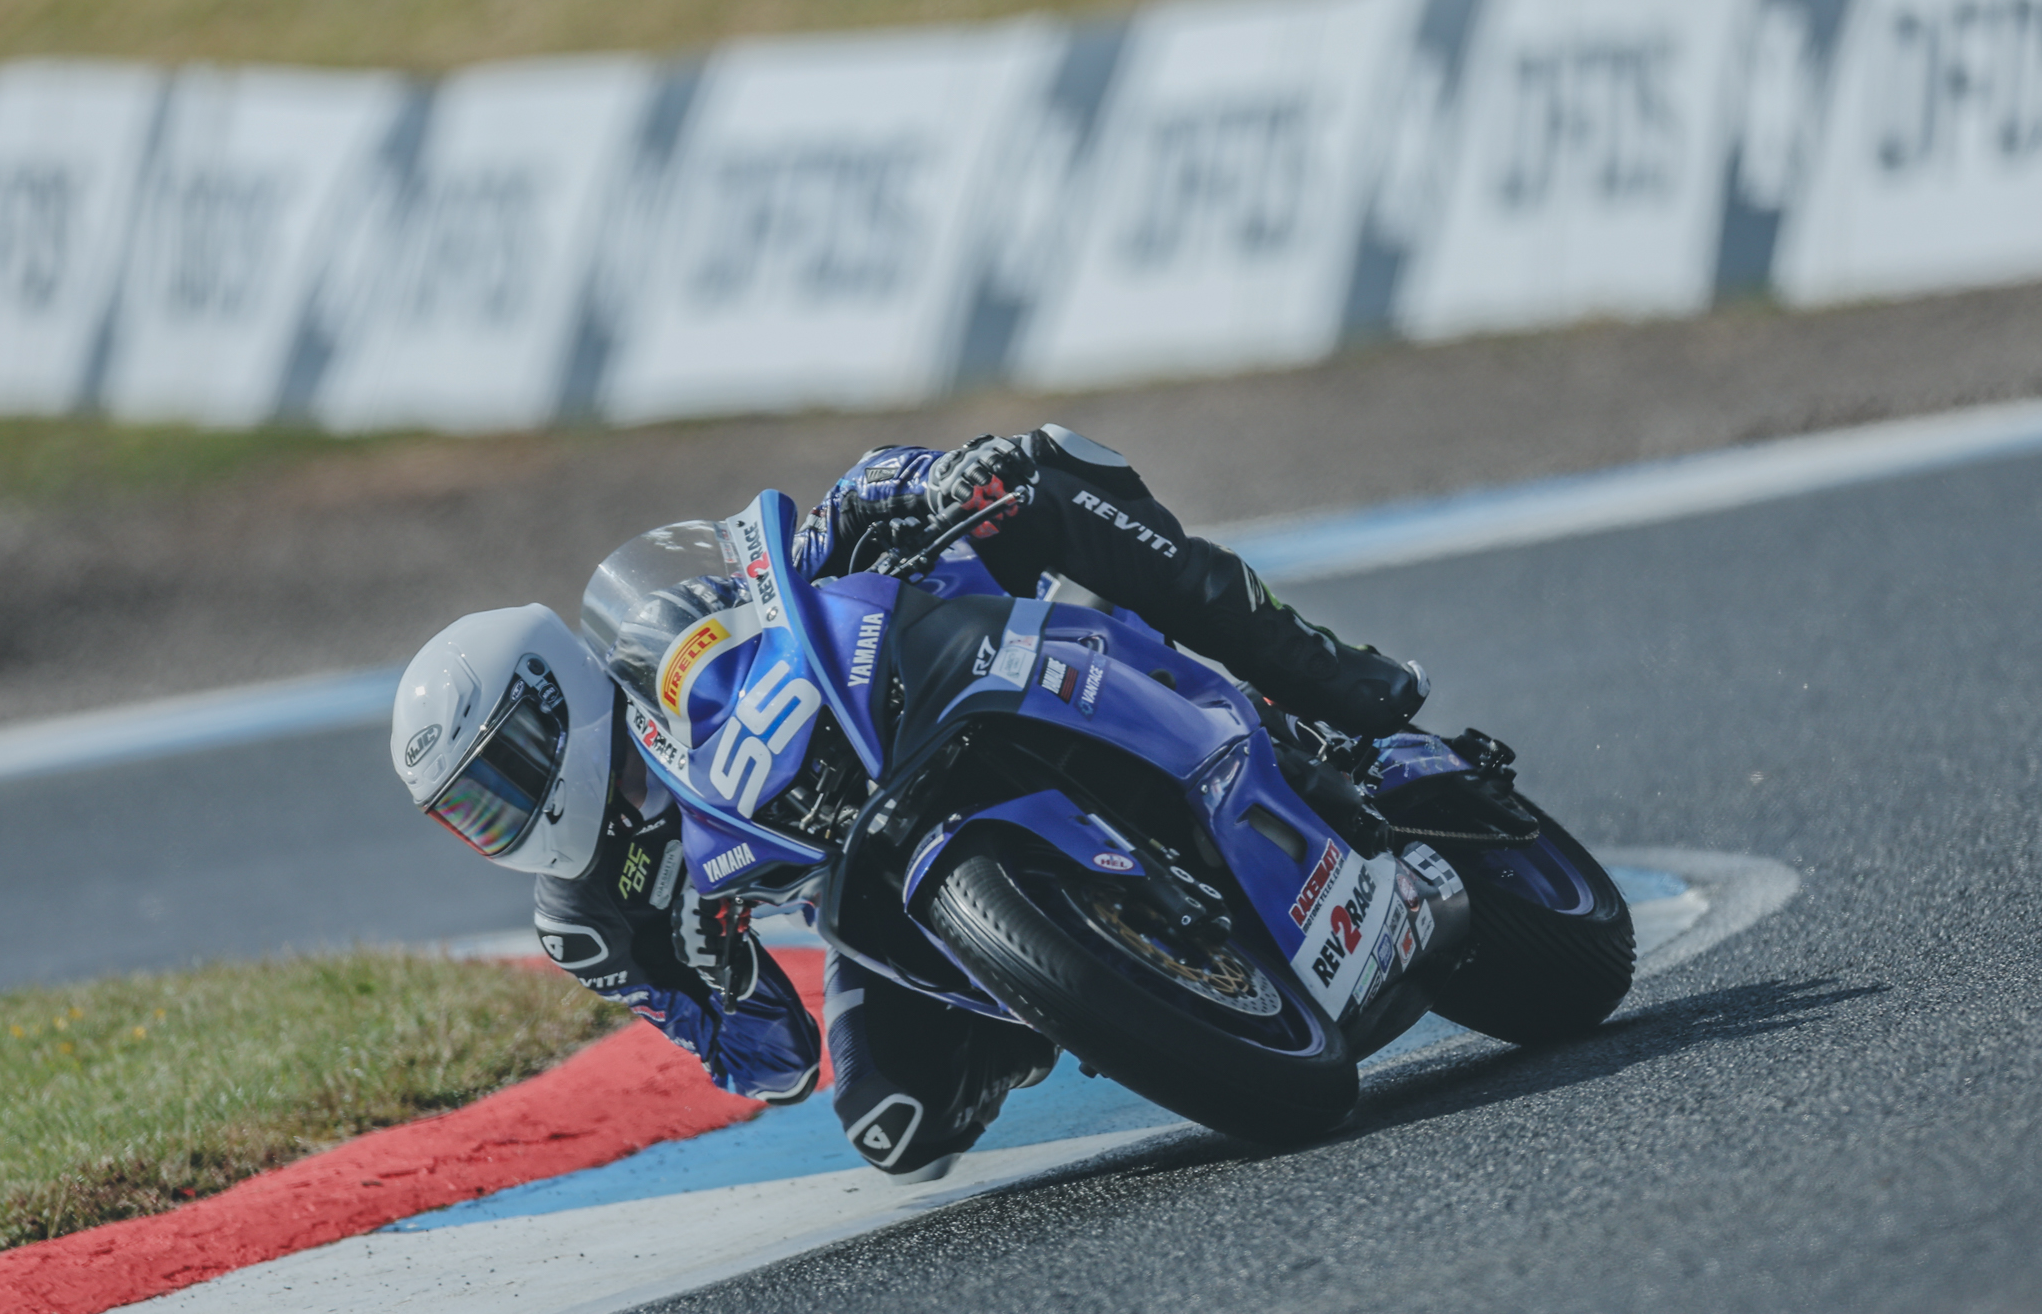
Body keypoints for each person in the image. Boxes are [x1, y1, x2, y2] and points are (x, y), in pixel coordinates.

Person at [392, 426, 1428, 1179]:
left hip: (916, 678)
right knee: (894, 1124)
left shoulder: (657, 625)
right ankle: (1067, 979)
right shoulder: (589, 918)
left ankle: (1320, 679)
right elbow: (771, 1063)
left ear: (549, 704)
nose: (501, 820)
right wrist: (722, 972)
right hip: (867, 886)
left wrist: (930, 480)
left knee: (1033, 472)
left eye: (496, 779)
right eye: (469, 815)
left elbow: (797, 542)